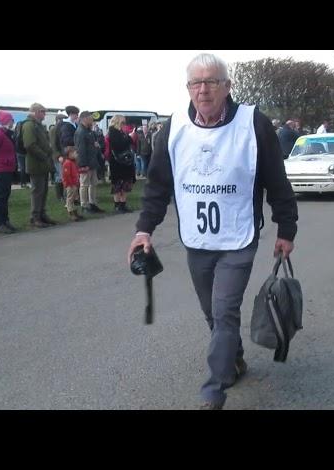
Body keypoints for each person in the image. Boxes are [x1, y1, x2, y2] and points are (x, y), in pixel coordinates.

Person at [126, 53, 298, 410]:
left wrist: (286, 228)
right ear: (188, 88)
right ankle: (233, 357)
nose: (203, 90)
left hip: (239, 237)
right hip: (198, 240)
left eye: (211, 82)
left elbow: (276, 182)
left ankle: (213, 391)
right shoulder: (173, 129)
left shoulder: (254, 124)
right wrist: (144, 230)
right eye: (195, 83)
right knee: (212, 313)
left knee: (223, 311)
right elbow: (158, 186)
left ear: (227, 86)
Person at [22, 103, 57, 228]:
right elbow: (29, 144)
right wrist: (43, 155)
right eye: (42, 111)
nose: (44, 114)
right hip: (35, 163)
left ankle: (42, 214)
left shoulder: (38, 125)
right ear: (35, 112)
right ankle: (35, 217)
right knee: (37, 191)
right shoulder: (29, 125)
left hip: (42, 163)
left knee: (43, 190)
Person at [75, 111, 104, 213]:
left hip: (92, 162)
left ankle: (92, 203)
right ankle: (84, 205)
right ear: (84, 119)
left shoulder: (89, 131)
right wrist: (83, 164)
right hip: (86, 163)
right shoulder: (81, 132)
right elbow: (80, 150)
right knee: (84, 184)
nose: (92, 120)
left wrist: (96, 146)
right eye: (90, 118)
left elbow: (92, 145)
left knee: (93, 184)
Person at [106, 114, 135, 213]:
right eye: (122, 122)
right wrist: (129, 137)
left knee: (125, 183)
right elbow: (119, 145)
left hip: (125, 161)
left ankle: (123, 204)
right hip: (117, 161)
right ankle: (117, 205)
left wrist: (129, 136)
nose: (124, 124)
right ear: (117, 122)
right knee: (118, 184)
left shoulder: (121, 132)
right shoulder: (113, 132)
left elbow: (127, 142)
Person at [62, 147, 84, 222]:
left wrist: (82, 170)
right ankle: (70, 212)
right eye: (75, 153)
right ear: (70, 154)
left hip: (74, 184)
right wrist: (70, 184)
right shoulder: (67, 163)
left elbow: (76, 171)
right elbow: (67, 175)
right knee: (70, 199)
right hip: (70, 185)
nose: (76, 154)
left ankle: (74, 211)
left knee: (74, 198)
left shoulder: (73, 162)